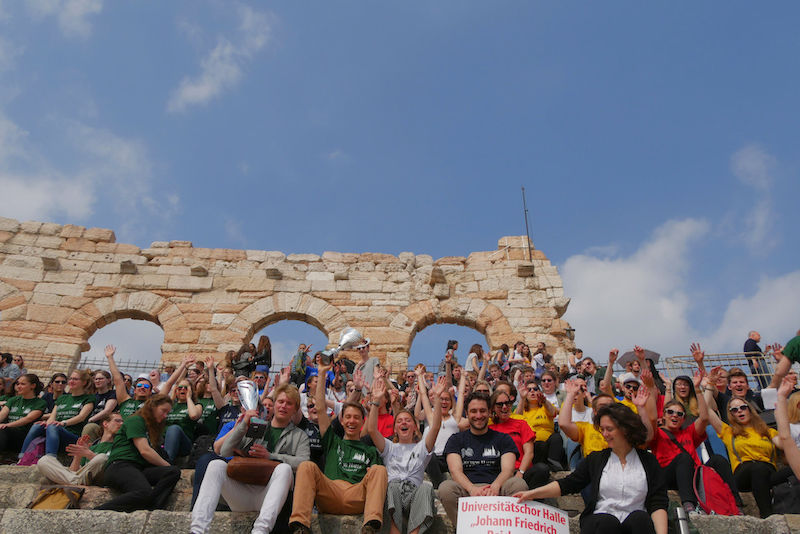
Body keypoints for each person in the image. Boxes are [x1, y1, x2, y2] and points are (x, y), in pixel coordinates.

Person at [514, 403, 668, 534]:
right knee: (607, 522)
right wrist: (531, 493)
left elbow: (658, 502)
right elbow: (568, 484)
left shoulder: (648, 461)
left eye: (609, 429)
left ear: (625, 429)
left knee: (640, 518)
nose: (604, 434)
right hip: (601, 524)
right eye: (602, 429)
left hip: (635, 526)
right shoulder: (596, 459)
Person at [191, 383, 309, 534]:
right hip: (242, 492)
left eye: (289, 403)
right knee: (216, 465)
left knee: (284, 468)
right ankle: (197, 530)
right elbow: (225, 452)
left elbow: (304, 463)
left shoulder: (299, 436)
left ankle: (260, 531)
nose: (283, 406)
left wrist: (271, 456)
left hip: (272, 496)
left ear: (295, 408)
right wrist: (242, 427)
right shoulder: (257, 426)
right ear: (273, 405)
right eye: (280, 402)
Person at [289, 363, 388, 534]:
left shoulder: (370, 451)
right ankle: (300, 525)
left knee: (379, 470)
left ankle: (371, 525)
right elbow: (320, 409)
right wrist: (321, 375)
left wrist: (376, 401)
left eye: (356, 417)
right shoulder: (332, 441)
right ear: (341, 421)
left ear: (362, 422)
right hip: (331, 492)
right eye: (348, 417)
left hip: (357, 495)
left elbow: (374, 477)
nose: (351, 421)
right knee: (306, 466)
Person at [649, 366, 741, 515]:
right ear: (664, 415)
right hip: (666, 475)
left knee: (718, 460)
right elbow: (650, 417)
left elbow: (704, 418)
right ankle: (689, 505)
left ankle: (737, 504)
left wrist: (698, 389)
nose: (675, 416)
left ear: (684, 418)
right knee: (684, 458)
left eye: (679, 414)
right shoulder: (657, 433)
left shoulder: (688, 432)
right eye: (670, 412)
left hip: (692, 473)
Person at [438, 391, 528, 525]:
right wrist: (472, 489)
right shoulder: (456, 439)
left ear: (490, 412)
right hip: (467, 489)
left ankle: (507, 526)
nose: (478, 416)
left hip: (498, 488)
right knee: (445, 488)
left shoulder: (503, 439)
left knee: (519, 484)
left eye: (482, 411)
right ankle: (465, 528)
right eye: (473, 411)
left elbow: (508, 471)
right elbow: (455, 471)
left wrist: (495, 487)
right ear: (467, 414)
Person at [366, 374, 442, 534]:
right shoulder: (389, 447)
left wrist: (438, 400)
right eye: (399, 421)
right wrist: (376, 401)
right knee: (391, 486)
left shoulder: (422, 447)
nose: (404, 423)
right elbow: (372, 430)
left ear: (415, 427)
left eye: (408, 420)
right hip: (394, 492)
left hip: (415, 491)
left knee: (426, 488)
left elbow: (435, 427)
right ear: (394, 429)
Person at [703, 375, 782, 518]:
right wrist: (709, 385)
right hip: (743, 474)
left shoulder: (767, 431)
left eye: (743, 407)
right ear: (731, 414)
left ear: (749, 410)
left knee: (784, 470)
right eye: (734, 410)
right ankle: (767, 516)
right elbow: (706, 410)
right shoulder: (729, 432)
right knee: (756, 467)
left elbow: (783, 443)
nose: (739, 411)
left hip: (768, 471)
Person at [96, 394, 181, 512]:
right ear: (153, 407)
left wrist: (169, 467)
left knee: (173, 472)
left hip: (138, 468)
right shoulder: (136, 420)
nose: (165, 415)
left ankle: (153, 507)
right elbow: (145, 451)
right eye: (163, 411)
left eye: (168, 413)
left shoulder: (149, 428)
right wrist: (167, 465)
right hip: (120, 466)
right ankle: (100, 510)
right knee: (143, 491)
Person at [20, 369, 95, 458]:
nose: (71, 381)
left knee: (53, 426)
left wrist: (63, 423)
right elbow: (52, 417)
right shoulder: (62, 398)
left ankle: (50, 458)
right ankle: (22, 457)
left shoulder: (89, 398)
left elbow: (81, 417)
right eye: (70, 379)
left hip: (72, 434)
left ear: (84, 382)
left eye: (75, 379)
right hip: (55, 429)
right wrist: (46, 423)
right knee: (37, 425)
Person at [37, 412, 123, 485]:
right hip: (81, 478)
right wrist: (78, 456)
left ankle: (70, 482)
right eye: (118, 421)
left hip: (99, 477)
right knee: (44, 460)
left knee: (102, 457)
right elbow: (74, 471)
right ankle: (75, 482)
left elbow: (112, 469)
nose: (122, 424)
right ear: (105, 424)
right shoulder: (93, 447)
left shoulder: (119, 446)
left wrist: (88, 454)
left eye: (123, 422)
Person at [489, 388, 550, 490]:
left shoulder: (521, 423)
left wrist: (520, 472)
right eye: (499, 404)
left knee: (542, 469)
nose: (504, 407)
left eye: (507, 403)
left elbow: (529, 453)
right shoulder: (489, 428)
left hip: (520, 470)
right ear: (493, 407)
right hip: (498, 472)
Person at [418, 365, 468, 489]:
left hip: (452, 456)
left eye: (447, 399)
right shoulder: (432, 416)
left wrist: (462, 377)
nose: (444, 402)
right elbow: (424, 395)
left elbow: (461, 394)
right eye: (441, 399)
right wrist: (419, 376)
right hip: (436, 457)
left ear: (451, 402)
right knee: (430, 458)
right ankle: (439, 485)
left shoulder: (455, 417)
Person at [513, 379, 566, 470]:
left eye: (535, 389)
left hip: (549, 443)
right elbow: (517, 418)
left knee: (556, 437)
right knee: (540, 444)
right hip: (533, 446)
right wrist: (522, 398)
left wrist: (544, 401)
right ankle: (540, 468)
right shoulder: (522, 409)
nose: (532, 391)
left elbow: (553, 412)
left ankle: (554, 463)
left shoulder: (545, 407)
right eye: (529, 390)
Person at [0, 374, 46, 454]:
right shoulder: (13, 400)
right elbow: (3, 413)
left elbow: (27, 419)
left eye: (23, 384)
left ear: (33, 386)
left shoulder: (40, 403)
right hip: (6, 433)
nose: (19, 386)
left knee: (3, 430)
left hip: (23, 436)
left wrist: (7, 425)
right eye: (18, 384)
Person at [164, 377, 202, 462]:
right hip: (163, 440)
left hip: (184, 443)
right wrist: (172, 398)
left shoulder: (196, 405)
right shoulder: (170, 406)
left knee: (174, 428)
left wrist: (188, 398)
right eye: (180, 388)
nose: (183, 389)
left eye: (186, 388)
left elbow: (194, 415)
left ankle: (167, 462)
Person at [82, 370, 118, 442]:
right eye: (96, 379)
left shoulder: (113, 394)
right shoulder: (92, 396)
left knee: (89, 427)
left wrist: (90, 420)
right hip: (88, 424)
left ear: (108, 380)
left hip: (102, 425)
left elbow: (107, 410)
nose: (98, 381)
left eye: (101, 379)